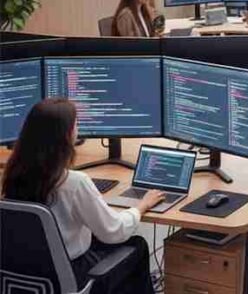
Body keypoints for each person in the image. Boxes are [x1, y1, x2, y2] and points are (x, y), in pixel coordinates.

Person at [1, 98, 164, 293]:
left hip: (26, 277)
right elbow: (114, 232)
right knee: (137, 246)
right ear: (67, 135)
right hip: (73, 274)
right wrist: (141, 206)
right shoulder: (74, 182)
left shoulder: (12, 174)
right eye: (76, 124)